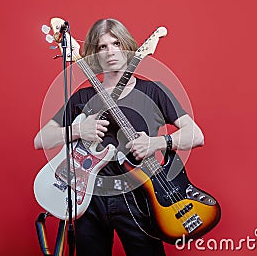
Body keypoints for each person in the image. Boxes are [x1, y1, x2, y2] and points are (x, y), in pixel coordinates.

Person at [34, 18, 204, 256]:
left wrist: (155, 142)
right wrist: (79, 131)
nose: (111, 52)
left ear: (128, 47)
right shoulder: (82, 97)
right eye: (102, 47)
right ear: (93, 54)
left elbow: (196, 135)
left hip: (139, 197)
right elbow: (41, 140)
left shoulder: (153, 91)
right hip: (90, 199)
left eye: (116, 43)